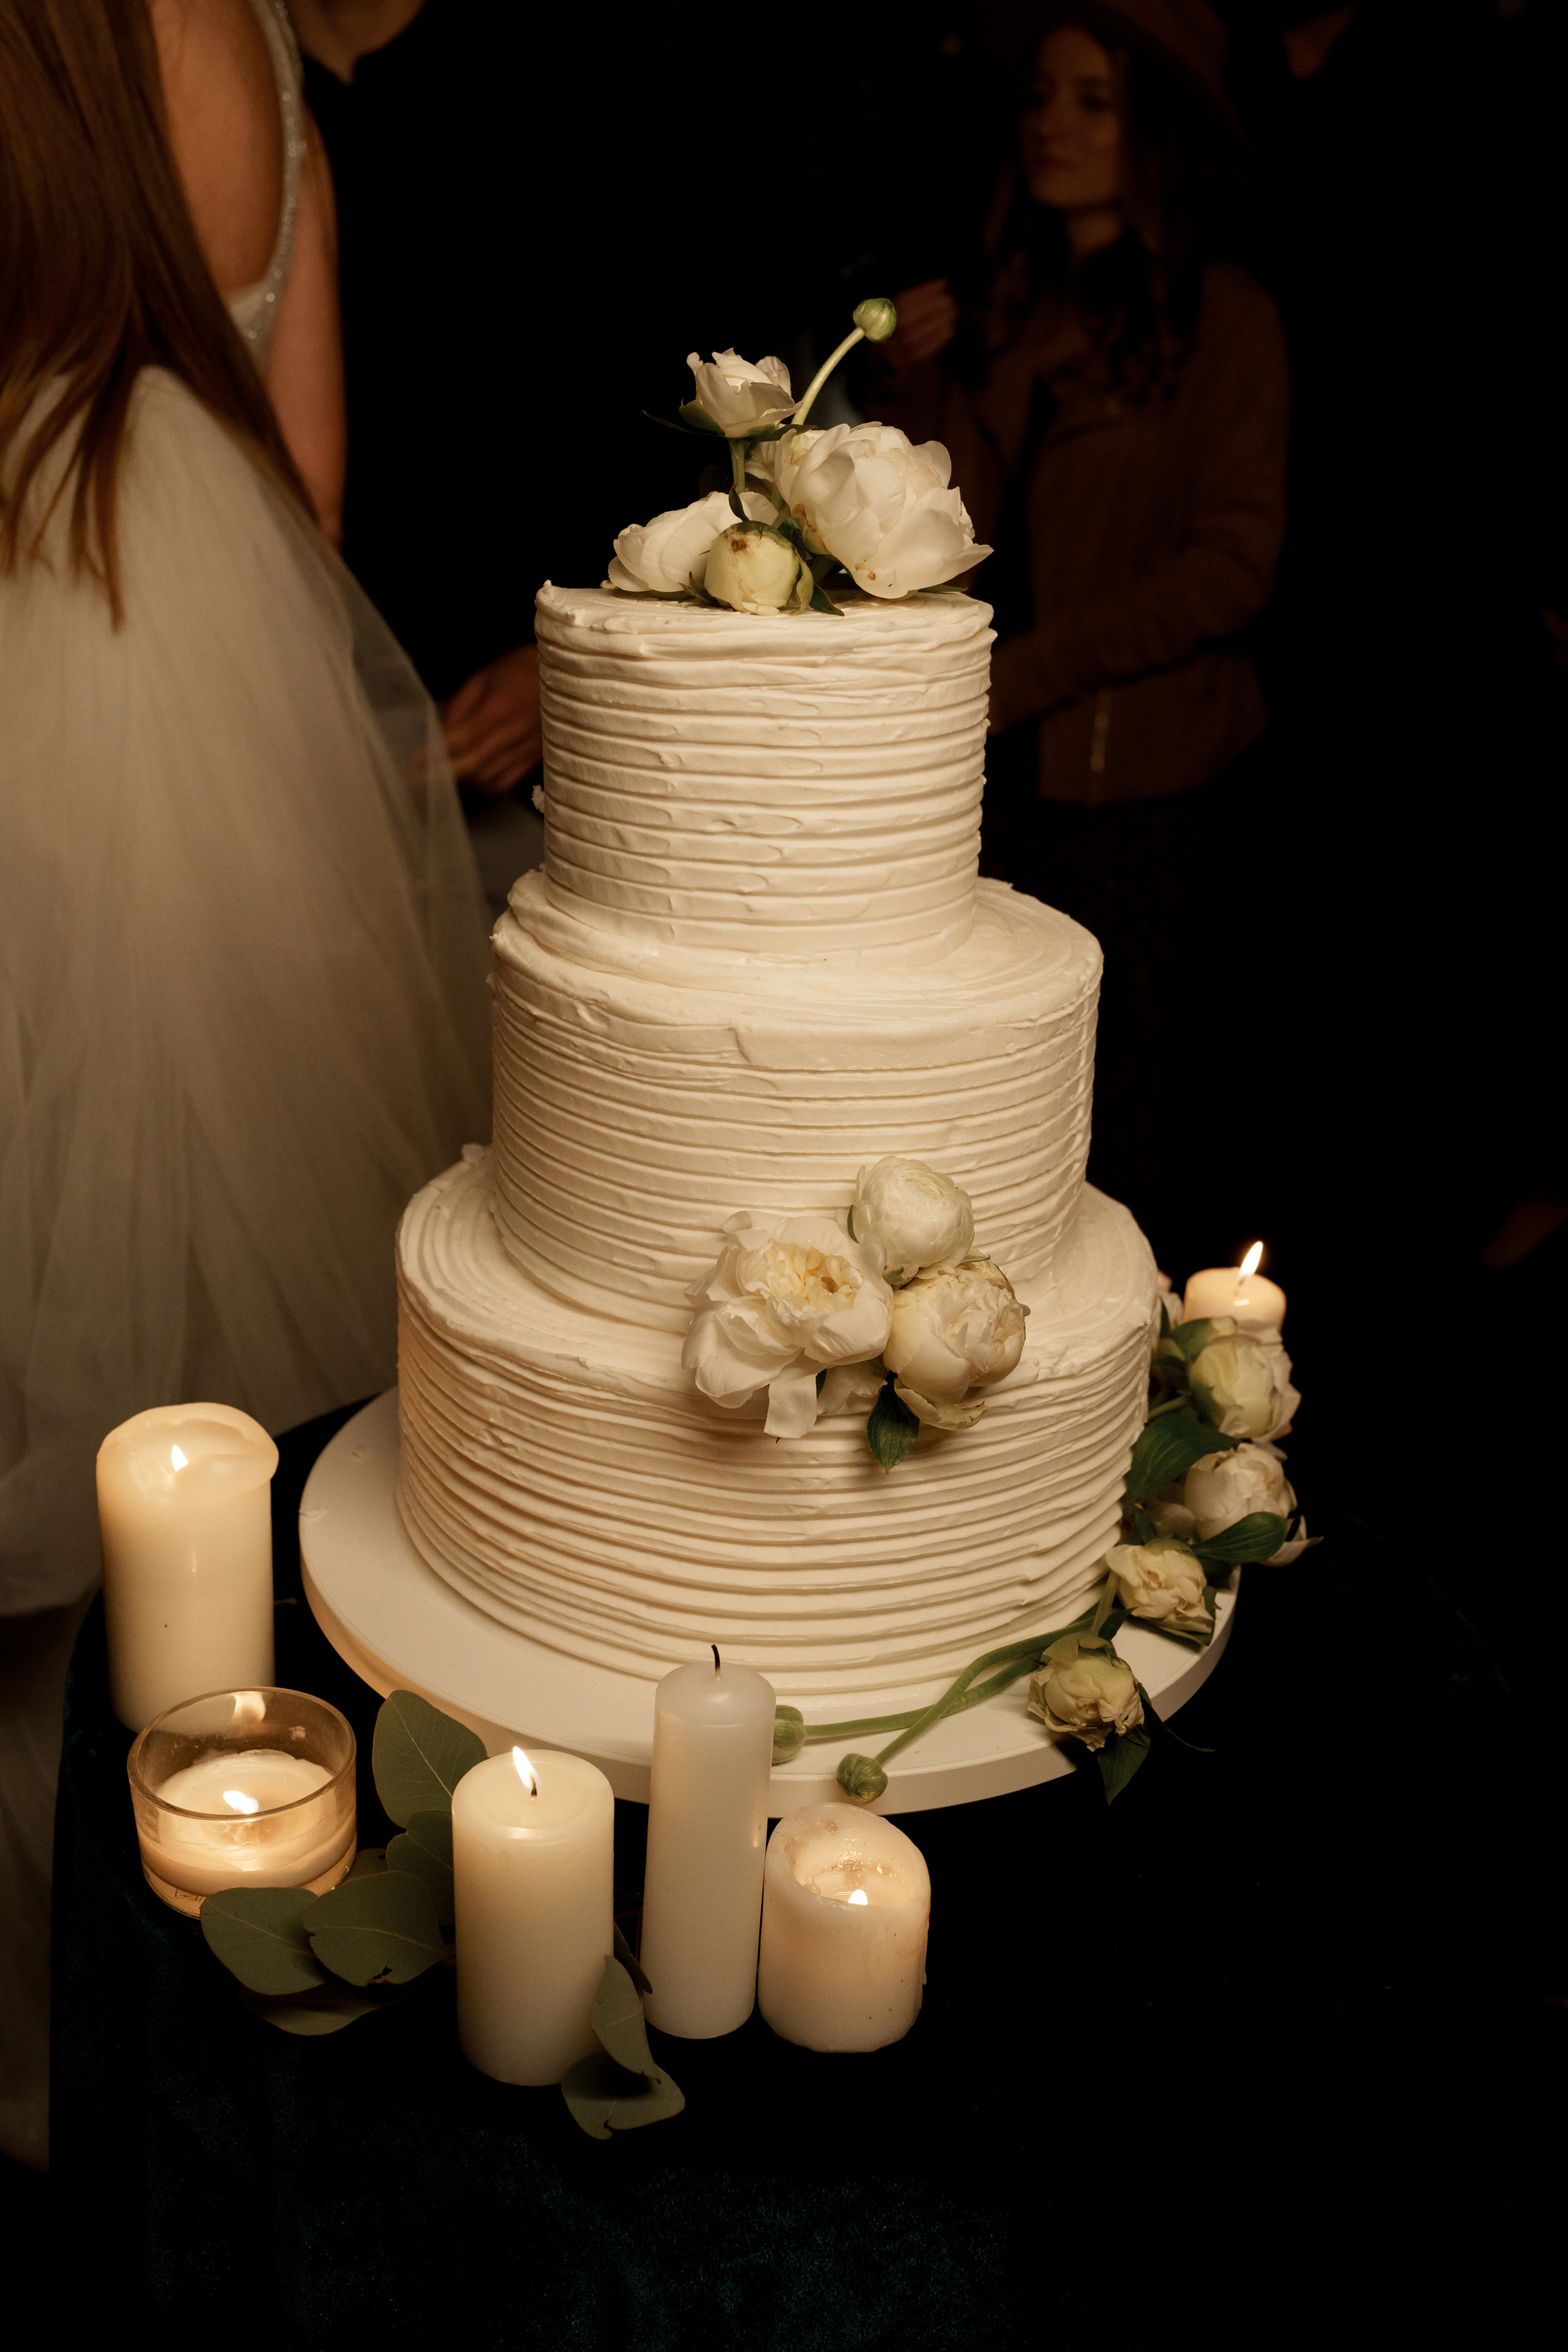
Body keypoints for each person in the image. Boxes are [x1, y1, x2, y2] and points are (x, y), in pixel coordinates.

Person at [0, 0, 491, 1625]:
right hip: (219, 638)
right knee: (247, 1212)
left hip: (36, 594)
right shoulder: (273, 70)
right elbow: (318, 492)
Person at [873, 0, 1287, 1253]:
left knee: (1119, 1117)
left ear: (1149, 135)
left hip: (1144, 789)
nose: (1047, 123)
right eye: (1039, 96)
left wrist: (1026, 674)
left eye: (1089, 102)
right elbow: (957, 544)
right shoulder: (1010, 306)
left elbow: (1230, 568)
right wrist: (923, 383)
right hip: (1000, 780)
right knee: (980, 1102)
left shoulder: (1227, 320)